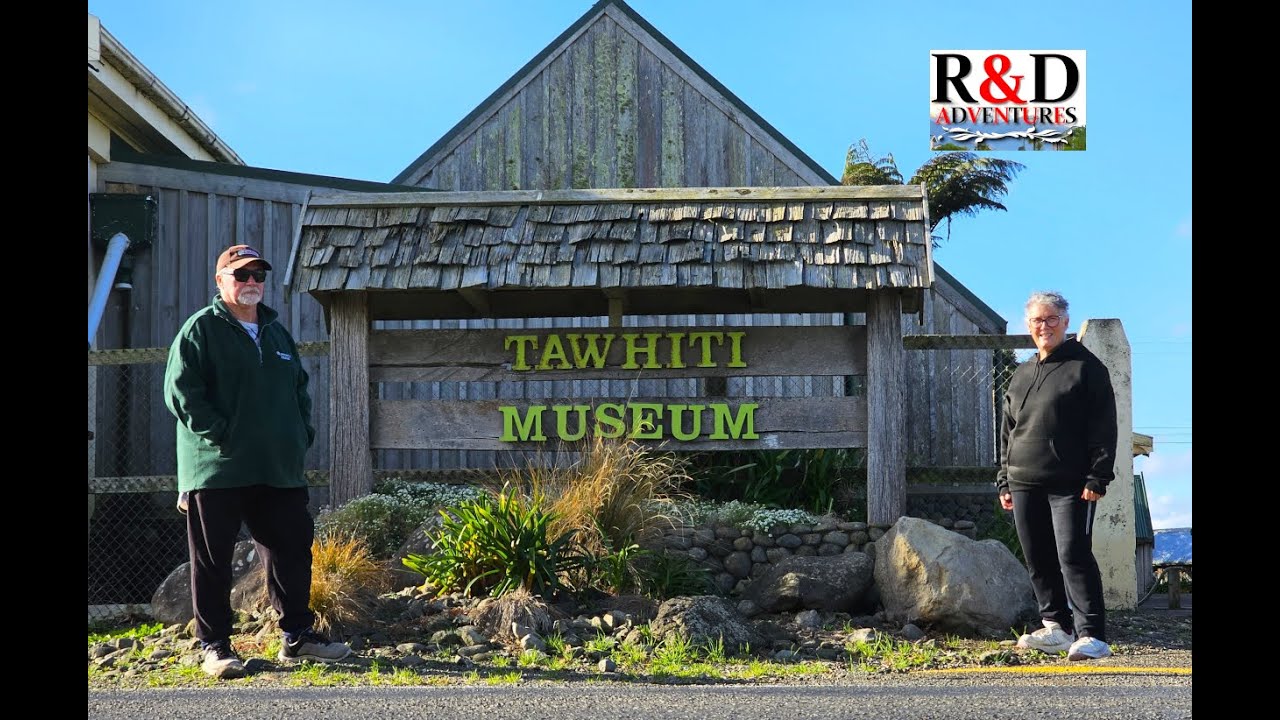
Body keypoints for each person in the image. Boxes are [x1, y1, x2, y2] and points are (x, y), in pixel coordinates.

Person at [164, 244, 351, 679]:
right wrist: (223, 434)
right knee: (212, 559)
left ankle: (298, 637)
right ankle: (215, 646)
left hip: (278, 467)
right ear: (220, 281)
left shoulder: (277, 333)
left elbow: (299, 391)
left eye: (257, 276)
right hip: (218, 467)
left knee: (291, 550)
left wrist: (299, 436)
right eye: (241, 275)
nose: (251, 283)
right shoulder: (200, 330)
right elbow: (182, 392)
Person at [996, 290, 1118, 661]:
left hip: (1072, 483)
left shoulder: (1087, 368)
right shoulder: (1022, 373)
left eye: (1051, 319)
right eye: (1037, 320)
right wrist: (1005, 478)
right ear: (1028, 326)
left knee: (1073, 554)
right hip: (1023, 481)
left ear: (1065, 323)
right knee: (1038, 558)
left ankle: (1092, 635)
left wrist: (1098, 477)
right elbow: (1008, 432)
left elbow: (1104, 425)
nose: (1044, 326)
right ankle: (1056, 628)